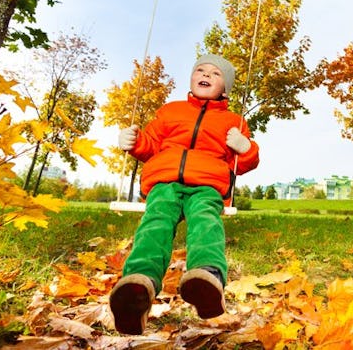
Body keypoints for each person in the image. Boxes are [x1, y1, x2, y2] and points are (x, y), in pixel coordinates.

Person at [109, 54, 259, 335]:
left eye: (215, 74)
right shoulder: (170, 111)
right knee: (156, 222)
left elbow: (246, 163)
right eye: (200, 70)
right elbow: (151, 145)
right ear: (191, 78)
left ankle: (207, 277)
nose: (206, 74)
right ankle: (137, 285)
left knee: (205, 220)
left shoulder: (233, 121)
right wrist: (135, 141)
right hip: (164, 181)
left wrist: (244, 146)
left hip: (207, 183)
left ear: (224, 88)